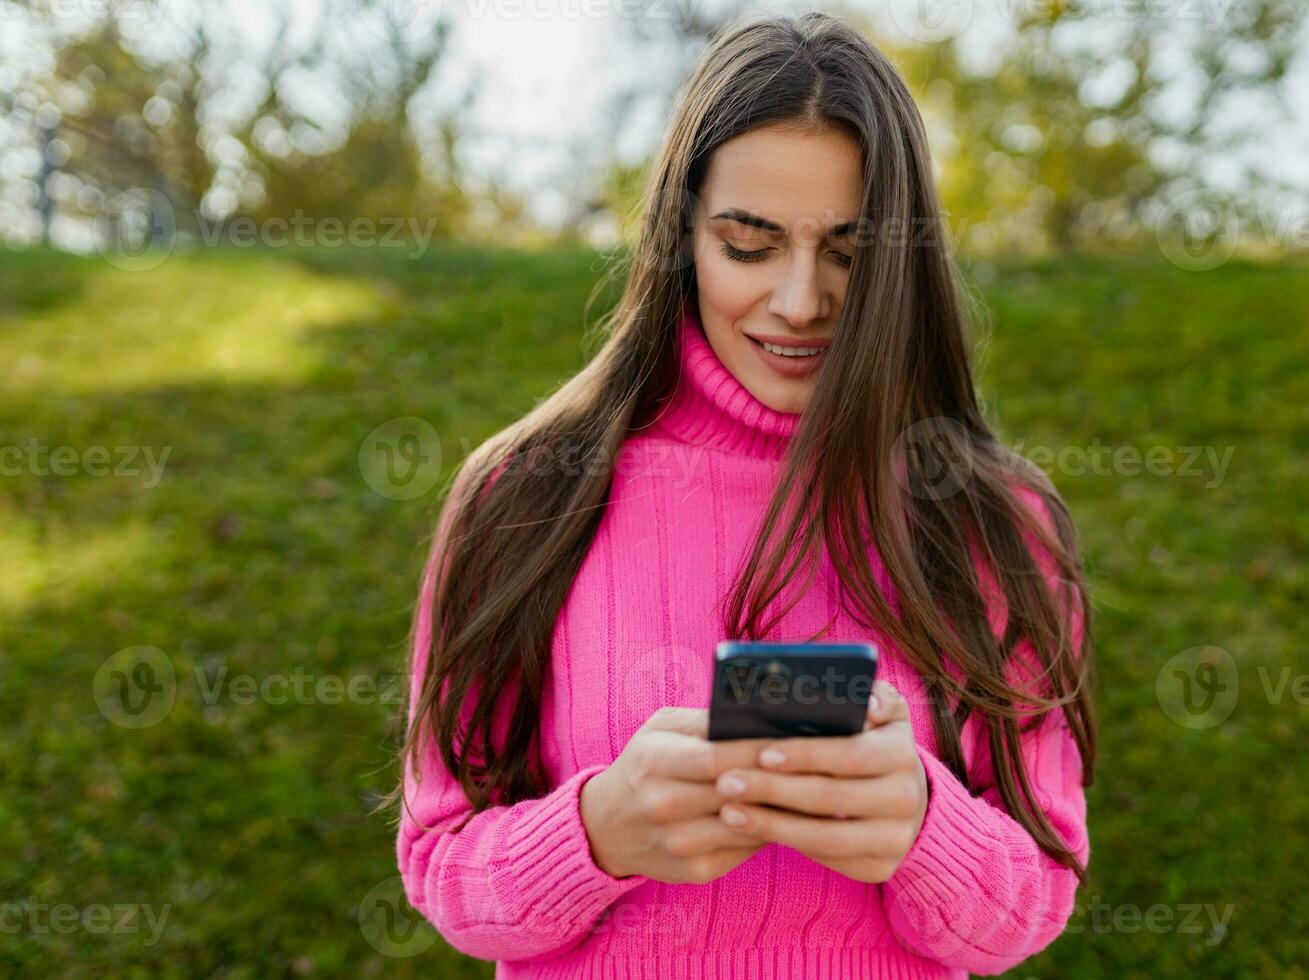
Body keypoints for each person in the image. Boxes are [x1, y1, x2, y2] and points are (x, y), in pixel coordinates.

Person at [394, 11, 1096, 978]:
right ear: (681, 238)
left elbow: (1036, 901)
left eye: (850, 252)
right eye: (748, 244)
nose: (800, 301)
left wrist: (925, 830)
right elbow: (444, 872)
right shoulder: (524, 496)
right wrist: (596, 835)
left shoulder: (990, 518)